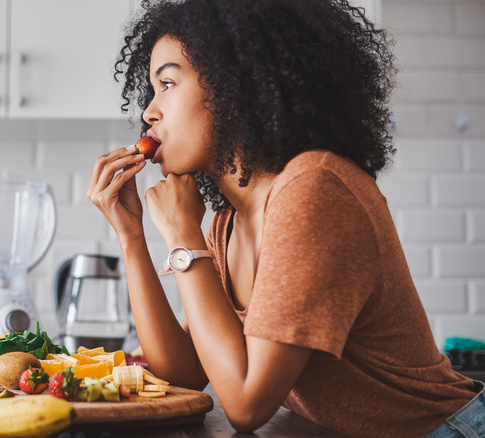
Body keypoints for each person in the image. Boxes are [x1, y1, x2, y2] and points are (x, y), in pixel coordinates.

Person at [87, 0, 484, 437]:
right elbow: (182, 374)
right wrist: (132, 237)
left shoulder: (314, 190)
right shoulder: (228, 222)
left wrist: (183, 238)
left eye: (167, 83)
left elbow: (246, 404)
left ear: (233, 86)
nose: (149, 111)